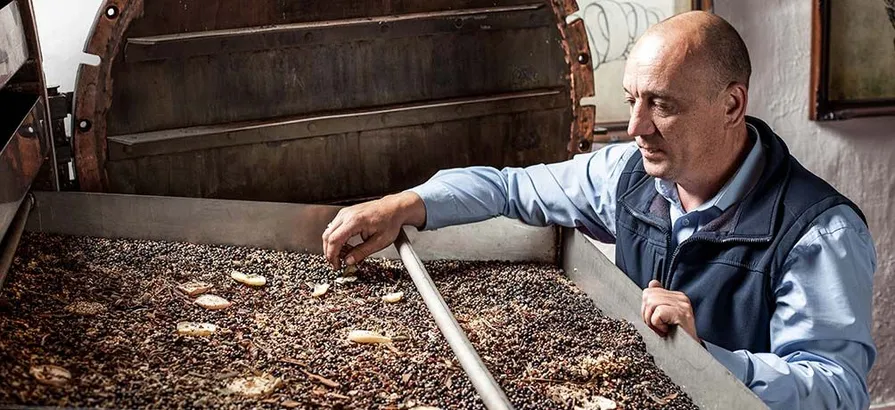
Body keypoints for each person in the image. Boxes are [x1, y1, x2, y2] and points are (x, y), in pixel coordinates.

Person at [321, 11, 876, 409]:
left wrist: (706, 356)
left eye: (662, 104)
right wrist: (404, 204)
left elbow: (836, 390)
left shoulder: (819, 233)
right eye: (634, 98)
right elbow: (510, 189)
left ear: (732, 104)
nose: (636, 127)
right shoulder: (626, 175)